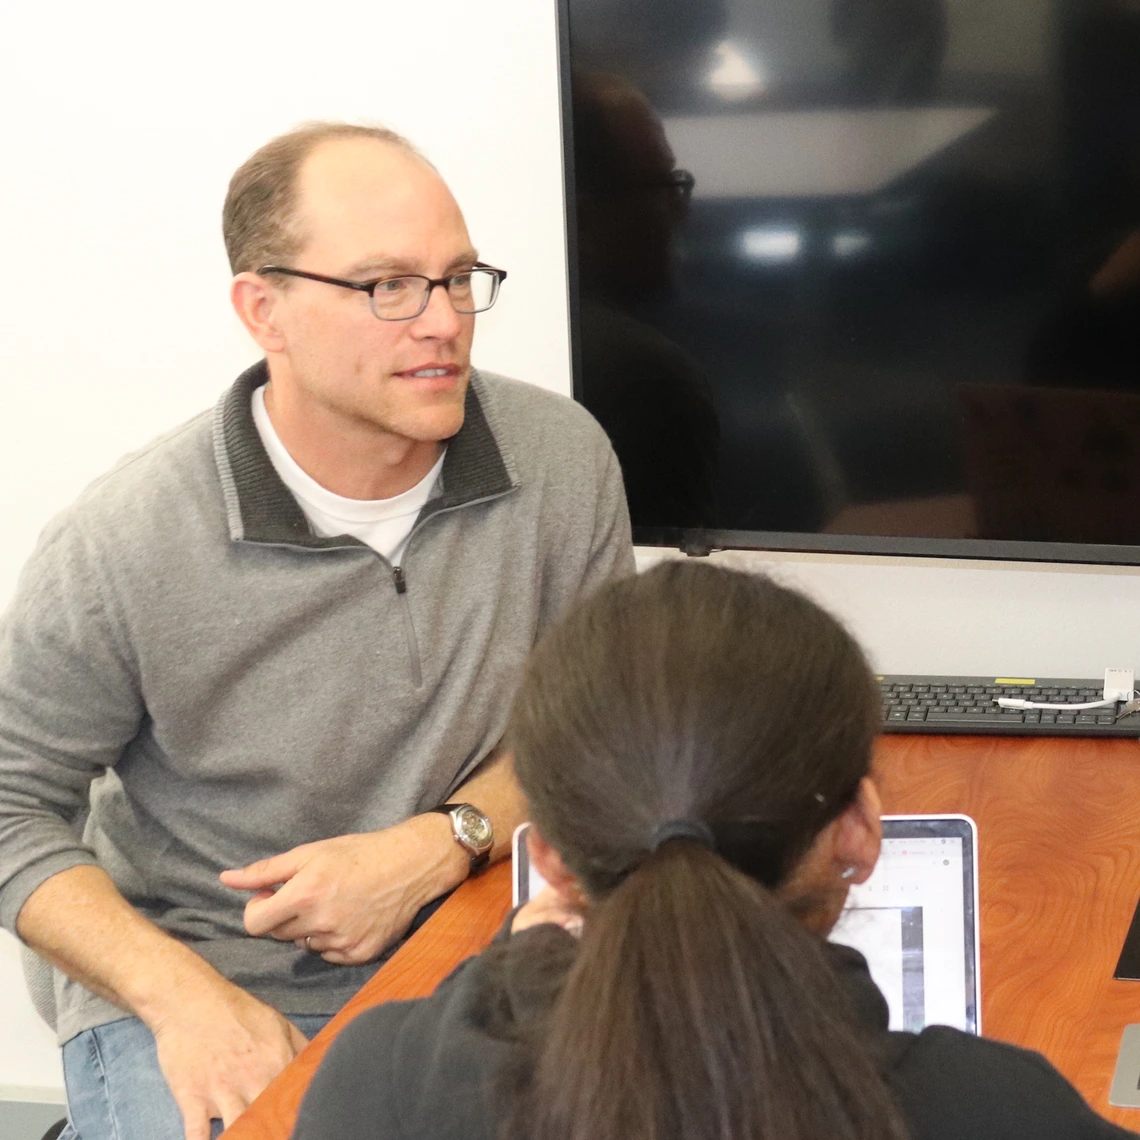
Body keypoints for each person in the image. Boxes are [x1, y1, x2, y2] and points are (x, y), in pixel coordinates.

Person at [0, 121, 633, 1140]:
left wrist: (441, 845)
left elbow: (600, 732)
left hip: (482, 942)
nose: (442, 322)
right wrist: (184, 1000)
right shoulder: (122, 541)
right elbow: (7, 806)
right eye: (386, 286)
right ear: (266, 311)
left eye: (458, 275)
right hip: (210, 975)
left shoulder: (563, 460)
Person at [293, 561, 1135, 1140]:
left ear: (545, 853)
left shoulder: (376, 1088)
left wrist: (500, 982)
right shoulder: (995, 1110)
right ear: (861, 826)